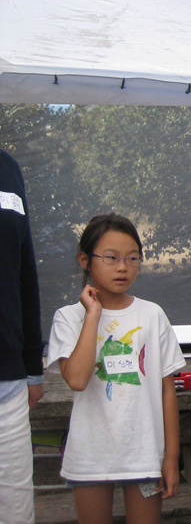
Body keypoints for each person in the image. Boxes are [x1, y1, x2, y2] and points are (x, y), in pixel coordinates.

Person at [45, 214, 185, 523]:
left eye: (132, 258)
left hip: (144, 454)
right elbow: (77, 379)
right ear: (85, 260)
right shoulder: (69, 318)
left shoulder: (152, 315)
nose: (123, 267)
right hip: (90, 455)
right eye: (111, 258)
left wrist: (171, 458)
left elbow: (167, 391)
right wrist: (93, 315)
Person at [0, 149, 44, 524]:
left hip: (8, 386)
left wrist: (32, 366)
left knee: (15, 514)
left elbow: (24, 271)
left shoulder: (7, 168)